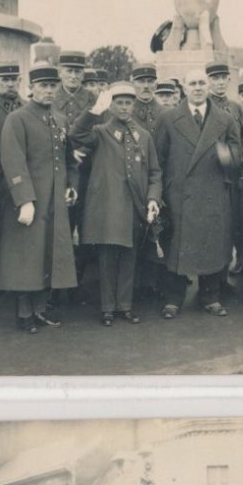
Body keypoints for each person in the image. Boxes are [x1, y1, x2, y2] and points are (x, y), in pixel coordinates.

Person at [0, 64, 78, 333]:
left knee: (48, 254)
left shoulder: (60, 118)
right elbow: (12, 160)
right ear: (30, 88)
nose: (49, 91)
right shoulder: (17, 118)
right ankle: (24, 314)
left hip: (55, 200)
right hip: (29, 200)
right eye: (43, 85)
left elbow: (69, 160)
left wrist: (71, 186)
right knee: (26, 257)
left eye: (53, 86)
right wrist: (24, 200)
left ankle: (40, 310)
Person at [151, 66, 239, 318]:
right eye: (193, 84)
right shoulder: (168, 118)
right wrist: (161, 194)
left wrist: (229, 156)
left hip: (212, 192)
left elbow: (236, 151)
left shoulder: (225, 119)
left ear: (208, 86)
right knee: (177, 247)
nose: (198, 88)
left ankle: (210, 297)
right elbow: (158, 158)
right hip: (179, 195)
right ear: (184, 88)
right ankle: (173, 299)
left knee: (211, 245)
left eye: (202, 83)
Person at [73, 81, 162, 325]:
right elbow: (75, 135)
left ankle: (125, 305)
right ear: (111, 105)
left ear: (134, 105)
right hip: (108, 207)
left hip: (135, 206)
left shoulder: (143, 136)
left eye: (128, 103)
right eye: (119, 102)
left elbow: (154, 172)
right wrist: (93, 112)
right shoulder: (100, 132)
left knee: (130, 257)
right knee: (107, 257)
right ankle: (107, 308)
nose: (124, 107)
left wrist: (153, 198)